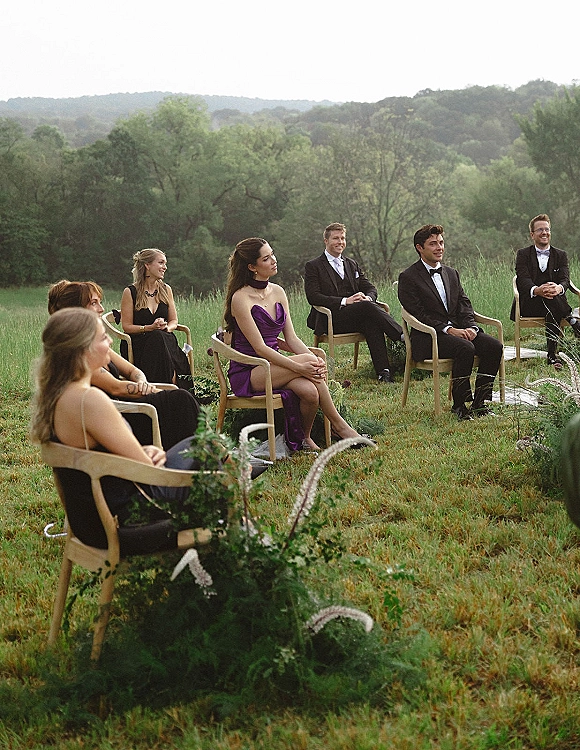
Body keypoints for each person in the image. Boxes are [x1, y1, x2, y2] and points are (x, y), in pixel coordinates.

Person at [30, 307, 217, 556]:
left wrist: (142, 450)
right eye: (102, 337)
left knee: (200, 447)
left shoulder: (59, 395)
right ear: (83, 350)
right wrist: (148, 457)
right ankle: (220, 553)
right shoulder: (89, 400)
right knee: (209, 452)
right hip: (126, 520)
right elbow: (147, 471)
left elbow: (104, 455)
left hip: (92, 521)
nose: (109, 341)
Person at [224, 237, 367, 451]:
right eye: (266, 258)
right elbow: (260, 348)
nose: (274, 260)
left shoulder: (278, 291)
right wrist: (300, 365)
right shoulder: (240, 298)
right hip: (251, 370)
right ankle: (341, 427)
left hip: (277, 366)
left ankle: (304, 438)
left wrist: (314, 362)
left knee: (310, 392)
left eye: (272, 254)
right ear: (252, 267)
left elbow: (291, 338)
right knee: (310, 360)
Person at [47, 280, 201, 450]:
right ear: (77, 310)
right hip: (120, 416)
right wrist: (155, 390)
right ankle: (206, 457)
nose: (101, 308)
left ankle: (206, 454)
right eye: (94, 303)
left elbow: (131, 369)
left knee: (181, 400)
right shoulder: (78, 353)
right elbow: (116, 388)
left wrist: (142, 380)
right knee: (181, 400)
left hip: (128, 406)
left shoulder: (94, 344)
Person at [398, 224, 503, 421]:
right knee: (465, 348)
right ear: (419, 248)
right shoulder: (408, 277)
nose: (439, 247)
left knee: (494, 346)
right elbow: (417, 314)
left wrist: (471, 326)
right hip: (428, 337)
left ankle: (480, 403)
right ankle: (459, 406)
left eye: (441, 242)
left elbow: (464, 304)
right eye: (433, 244)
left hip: (458, 331)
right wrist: (448, 329)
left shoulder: (451, 273)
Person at [304, 222, 403, 383]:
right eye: (336, 238)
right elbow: (313, 297)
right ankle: (400, 335)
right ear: (326, 241)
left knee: (371, 320)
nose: (340, 242)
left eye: (343, 238)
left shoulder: (351, 264)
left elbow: (370, 288)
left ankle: (384, 372)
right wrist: (345, 301)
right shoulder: (313, 266)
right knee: (366, 308)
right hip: (330, 318)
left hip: (355, 316)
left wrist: (368, 298)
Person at [510, 214, 580, 367]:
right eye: (540, 229)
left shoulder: (561, 255)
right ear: (532, 234)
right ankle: (572, 321)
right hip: (530, 304)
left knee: (552, 302)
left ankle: (552, 356)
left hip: (553, 303)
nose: (544, 233)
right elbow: (522, 279)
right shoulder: (523, 254)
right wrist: (536, 290)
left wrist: (558, 288)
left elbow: (565, 279)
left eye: (547, 229)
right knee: (552, 301)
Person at [120, 248, 192, 386]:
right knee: (157, 337)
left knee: (160, 337)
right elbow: (126, 327)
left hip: (164, 339)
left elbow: (173, 321)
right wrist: (149, 328)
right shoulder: (130, 292)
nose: (165, 267)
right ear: (147, 265)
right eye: (161, 263)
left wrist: (167, 328)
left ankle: (169, 389)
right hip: (139, 344)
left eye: (165, 263)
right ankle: (172, 387)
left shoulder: (166, 289)